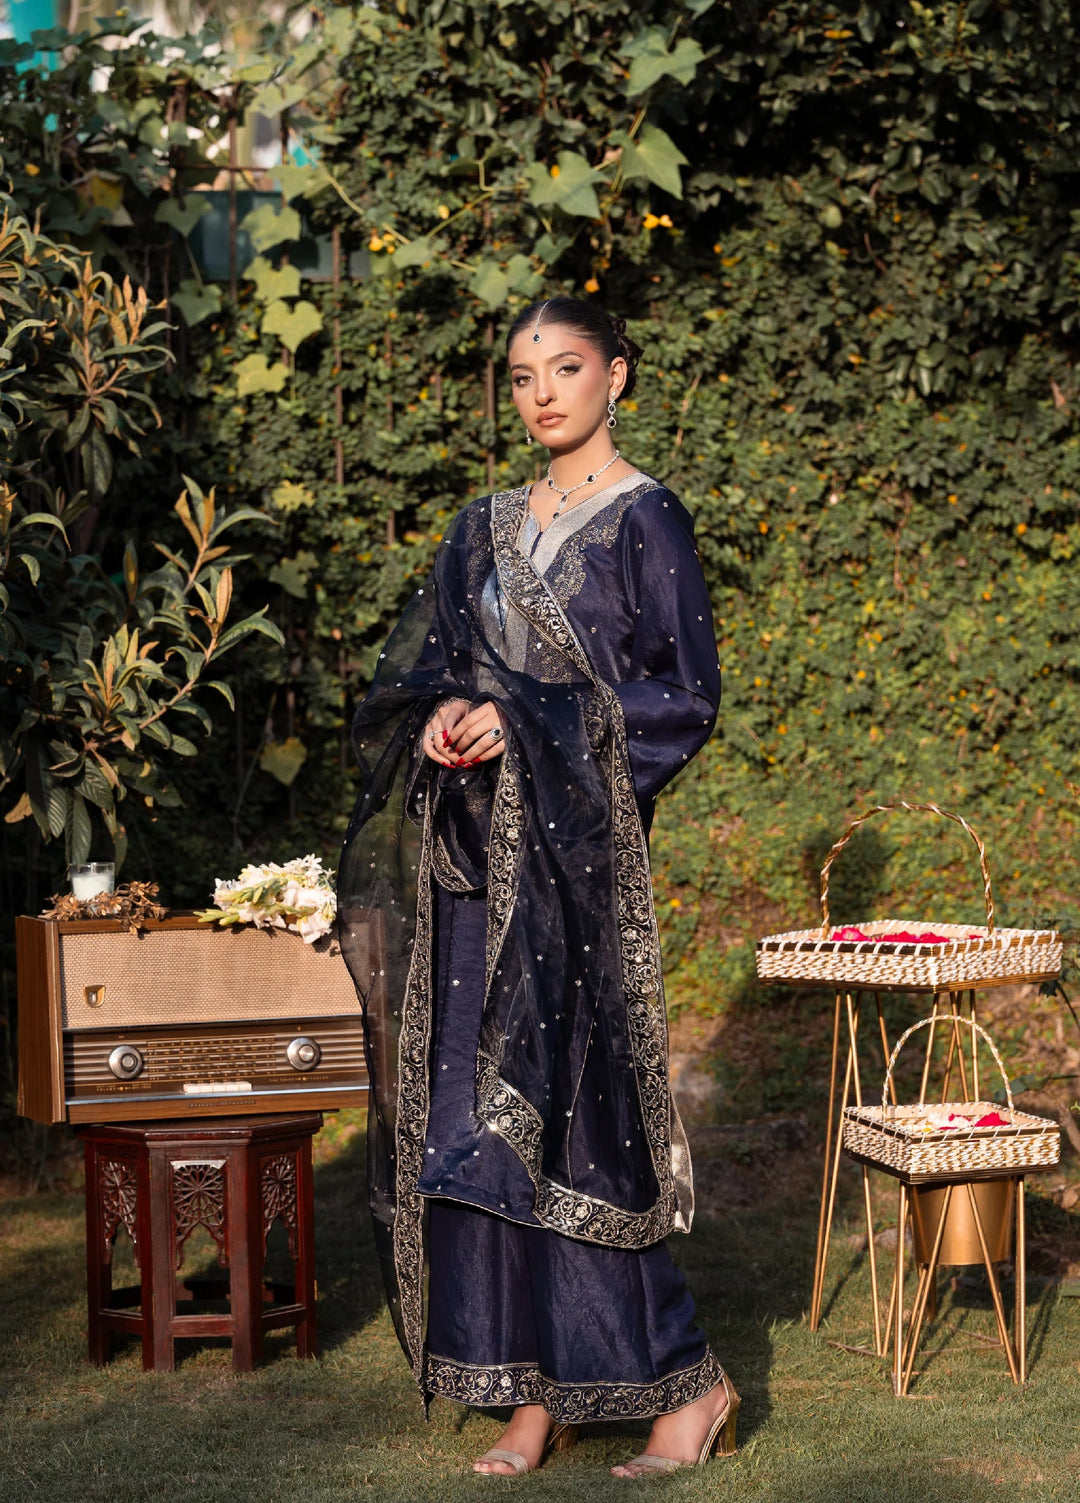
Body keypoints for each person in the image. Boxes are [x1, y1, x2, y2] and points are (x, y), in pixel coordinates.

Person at [338, 296, 734, 1478]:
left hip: (576, 873)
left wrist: (527, 722)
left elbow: (685, 696)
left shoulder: (646, 519)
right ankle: (527, 1391)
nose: (544, 393)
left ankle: (690, 1386)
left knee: (581, 1126)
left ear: (618, 375)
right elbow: (429, 673)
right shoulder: (482, 529)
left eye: (566, 368)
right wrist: (447, 720)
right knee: (474, 1126)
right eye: (522, 376)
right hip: (472, 864)